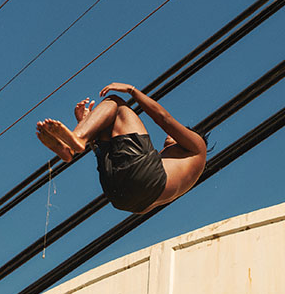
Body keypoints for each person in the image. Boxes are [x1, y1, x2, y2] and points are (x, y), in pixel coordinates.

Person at [35, 82, 207, 214]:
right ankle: (75, 141)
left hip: (145, 179)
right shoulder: (180, 168)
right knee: (105, 126)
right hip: (122, 199)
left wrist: (132, 90)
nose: (169, 136)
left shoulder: (198, 147)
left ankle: (77, 140)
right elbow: (118, 159)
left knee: (114, 103)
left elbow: (164, 119)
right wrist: (87, 123)